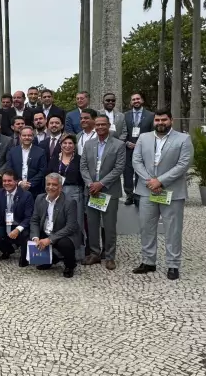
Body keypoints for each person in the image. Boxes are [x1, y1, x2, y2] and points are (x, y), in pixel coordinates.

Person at [132, 109, 194, 280]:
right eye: (157, 120)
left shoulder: (183, 139)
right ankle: (148, 261)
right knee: (146, 227)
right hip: (146, 190)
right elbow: (136, 161)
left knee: (173, 229)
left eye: (164, 120)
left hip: (172, 192)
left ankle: (173, 264)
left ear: (171, 120)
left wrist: (161, 181)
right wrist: (150, 181)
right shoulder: (143, 138)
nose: (160, 123)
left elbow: (183, 164)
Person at [80, 114, 126, 270]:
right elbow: (83, 167)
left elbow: (119, 168)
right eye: (97, 124)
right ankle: (94, 253)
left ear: (108, 125)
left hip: (109, 191)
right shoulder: (88, 144)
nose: (100, 127)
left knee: (109, 226)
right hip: (92, 191)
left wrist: (101, 183)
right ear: (94, 125)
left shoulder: (118, 145)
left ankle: (110, 256)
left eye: (103, 124)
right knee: (92, 224)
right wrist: (90, 184)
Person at [29, 173, 81, 278]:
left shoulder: (70, 202)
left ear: (60, 187)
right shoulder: (40, 198)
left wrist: (50, 239)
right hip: (46, 231)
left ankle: (70, 265)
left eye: (54, 184)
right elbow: (34, 220)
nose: (50, 187)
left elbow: (71, 226)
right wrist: (35, 237)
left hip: (62, 234)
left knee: (64, 244)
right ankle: (50, 259)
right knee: (28, 236)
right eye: (48, 184)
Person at [0, 169, 34, 264]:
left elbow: (29, 217)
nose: (6, 183)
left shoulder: (26, 195)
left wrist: (17, 230)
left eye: (9, 181)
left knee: (25, 235)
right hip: (4, 224)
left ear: (16, 181)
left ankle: (24, 257)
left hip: (19, 225)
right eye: (4, 181)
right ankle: (8, 250)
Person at [48, 134, 84, 260]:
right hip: (57, 192)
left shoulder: (79, 159)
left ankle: (77, 252)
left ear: (74, 145)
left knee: (76, 222)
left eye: (70, 143)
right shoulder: (54, 158)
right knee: (58, 221)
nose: (67, 146)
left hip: (75, 191)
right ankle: (59, 251)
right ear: (60, 145)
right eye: (65, 143)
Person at [123, 93, 155, 205]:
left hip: (143, 149)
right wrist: (126, 142)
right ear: (131, 102)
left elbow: (153, 133)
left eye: (138, 99)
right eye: (133, 99)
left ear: (142, 100)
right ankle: (129, 195)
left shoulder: (151, 115)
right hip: (128, 149)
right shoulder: (125, 115)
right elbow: (122, 132)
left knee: (140, 172)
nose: (136, 101)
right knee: (127, 172)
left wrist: (143, 145)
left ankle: (138, 195)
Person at [7, 127, 48, 196]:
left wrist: (30, 184)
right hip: (16, 187)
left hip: (35, 189)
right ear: (20, 137)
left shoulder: (41, 151)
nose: (27, 137)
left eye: (29, 135)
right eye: (24, 135)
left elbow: (42, 171)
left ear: (33, 137)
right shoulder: (12, 151)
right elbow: (9, 169)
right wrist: (19, 182)